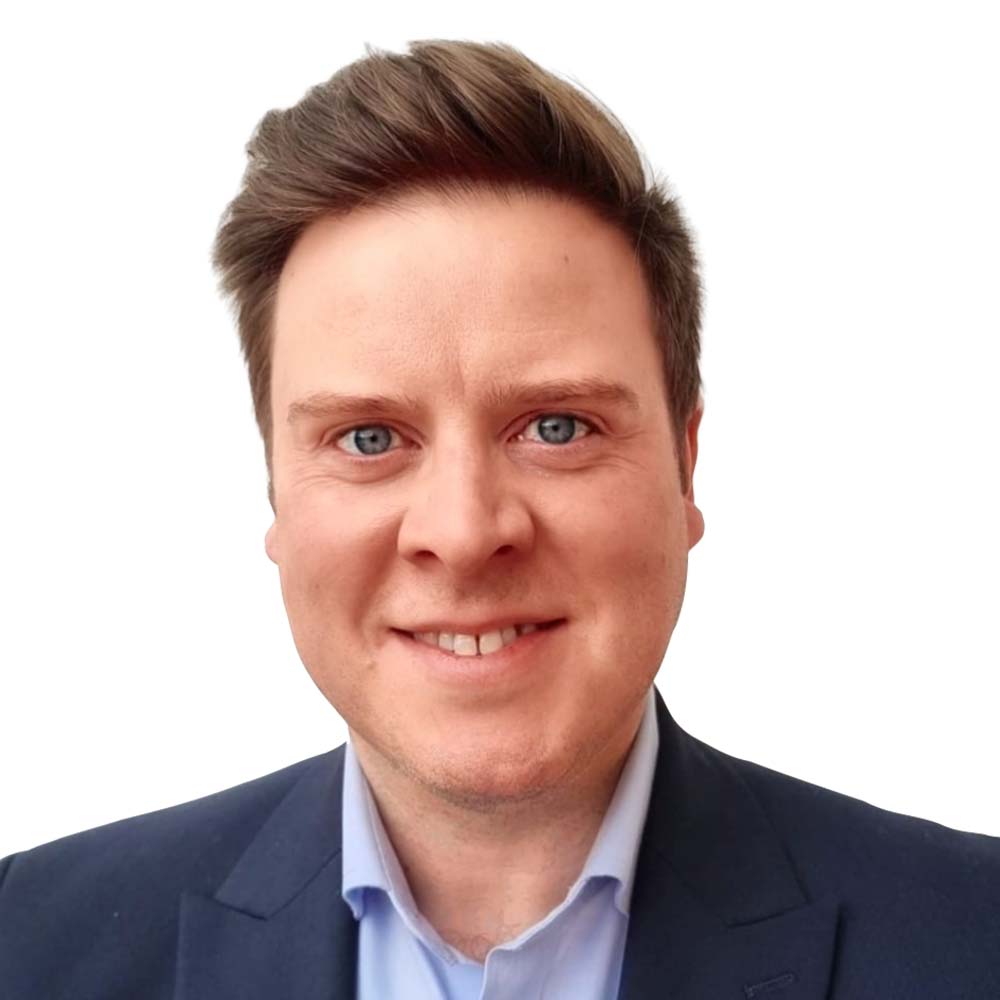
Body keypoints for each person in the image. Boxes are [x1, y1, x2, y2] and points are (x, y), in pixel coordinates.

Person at [1, 38, 997, 1000]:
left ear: (685, 464)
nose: (465, 532)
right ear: (274, 487)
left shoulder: (973, 940)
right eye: (367, 438)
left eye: (556, 426)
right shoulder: (28, 943)